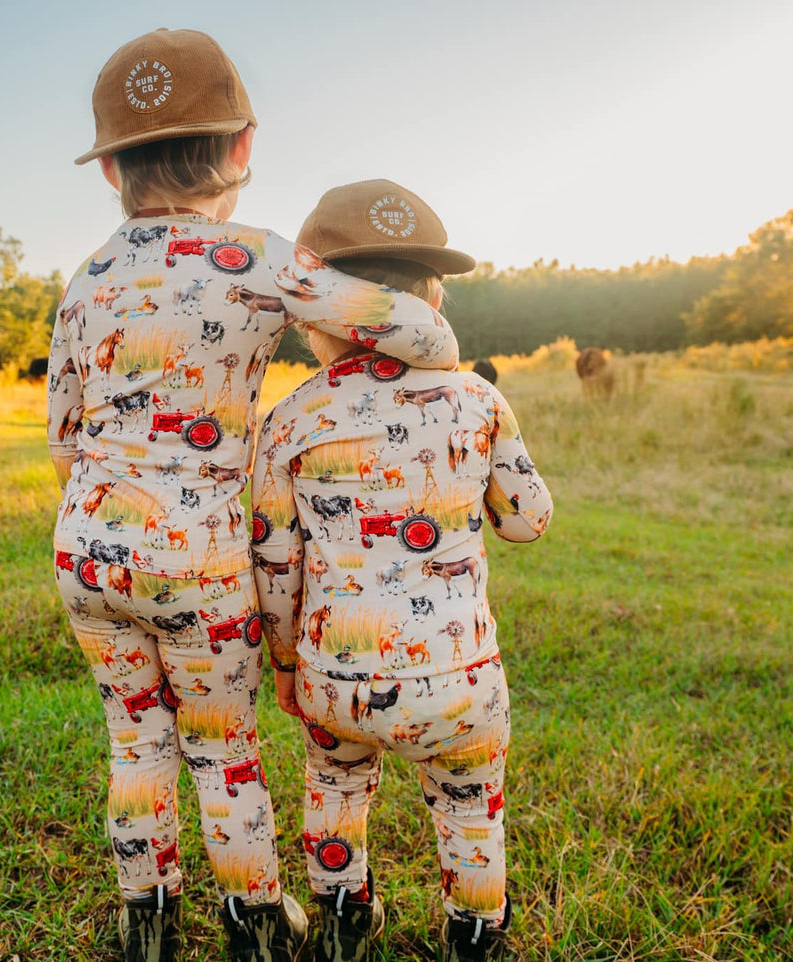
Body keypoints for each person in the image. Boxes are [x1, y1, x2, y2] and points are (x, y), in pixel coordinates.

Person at [47, 31, 463, 962]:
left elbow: (63, 439)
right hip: (195, 558)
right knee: (219, 747)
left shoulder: (84, 283)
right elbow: (422, 332)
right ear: (242, 148)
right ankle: (254, 924)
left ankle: (144, 921)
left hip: (85, 549)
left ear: (110, 166)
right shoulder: (259, 260)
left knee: (134, 741)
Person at [251, 179, 553, 962]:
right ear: (432, 300)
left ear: (321, 318)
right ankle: (473, 935)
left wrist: (287, 664)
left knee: (336, 790)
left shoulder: (291, 418)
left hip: (335, 674)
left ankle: (344, 923)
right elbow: (528, 520)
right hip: (460, 676)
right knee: (469, 809)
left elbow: (274, 561)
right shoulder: (477, 400)